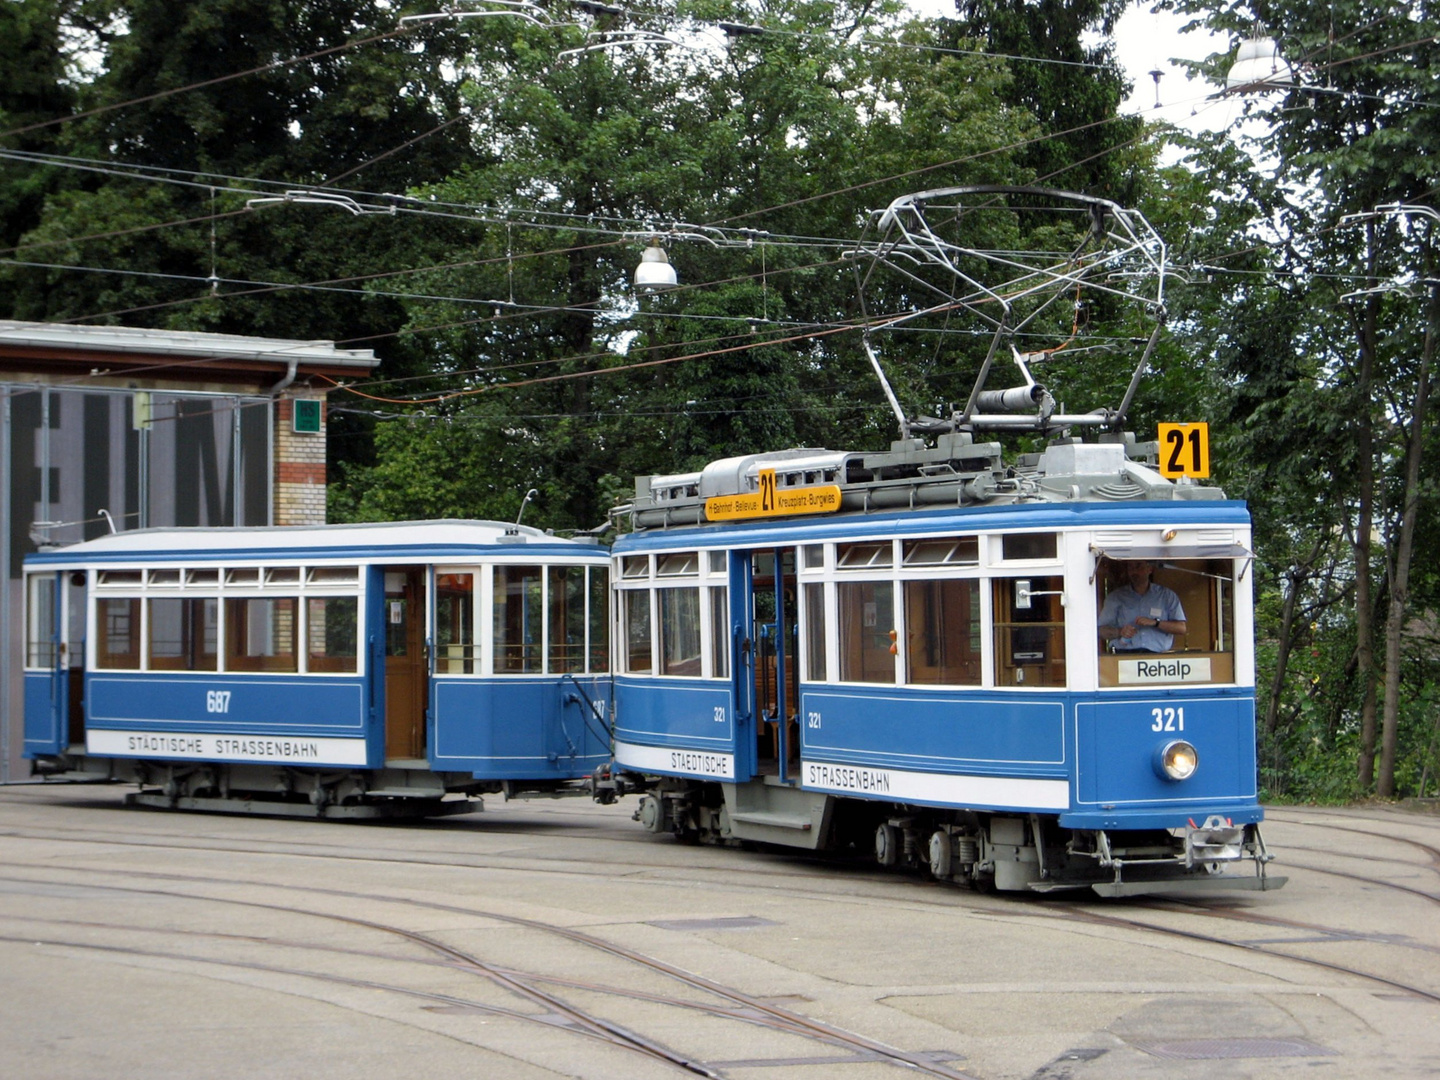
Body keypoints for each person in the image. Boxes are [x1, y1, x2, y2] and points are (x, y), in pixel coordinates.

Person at [1097, 560, 1187, 653]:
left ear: (1150, 569)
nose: (1134, 572)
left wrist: (1155, 623)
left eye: (1138, 566)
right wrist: (1120, 632)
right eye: (1130, 568)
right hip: (1124, 656)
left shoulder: (1166, 596)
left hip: (1158, 658)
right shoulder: (1116, 597)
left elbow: (1181, 628)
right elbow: (1100, 631)